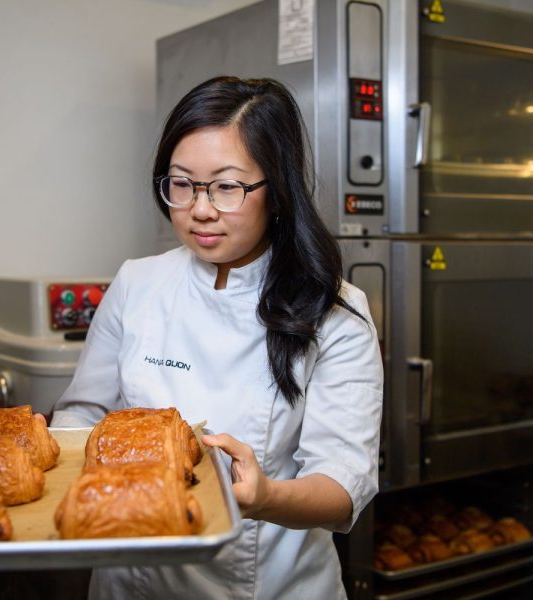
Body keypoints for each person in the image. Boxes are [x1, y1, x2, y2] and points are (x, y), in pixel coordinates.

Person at [50, 76, 383, 599]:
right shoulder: (138, 282)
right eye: (181, 183)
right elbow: (82, 416)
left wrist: (266, 496)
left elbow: (343, 487)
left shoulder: (335, 312)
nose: (200, 208)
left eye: (227, 186)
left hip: (271, 584)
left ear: (277, 188)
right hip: (131, 580)